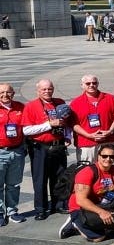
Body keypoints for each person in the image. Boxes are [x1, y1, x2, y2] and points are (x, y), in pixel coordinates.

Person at [21, 79, 72, 219]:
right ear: (38, 91)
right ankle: (40, 209)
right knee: (40, 179)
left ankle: (59, 204)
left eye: (49, 89)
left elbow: (67, 123)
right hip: (40, 147)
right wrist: (49, 124)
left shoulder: (60, 102)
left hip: (58, 145)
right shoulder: (31, 106)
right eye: (44, 89)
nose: (47, 91)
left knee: (59, 177)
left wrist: (67, 136)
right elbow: (26, 130)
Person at [58, 146, 114, 242]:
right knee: (98, 237)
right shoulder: (88, 172)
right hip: (81, 207)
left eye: (112, 156)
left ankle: (96, 224)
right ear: (98, 156)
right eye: (104, 156)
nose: (108, 159)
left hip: (102, 204)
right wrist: (101, 212)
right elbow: (81, 200)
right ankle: (74, 222)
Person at [70, 74, 114, 163]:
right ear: (82, 85)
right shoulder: (76, 103)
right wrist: (89, 135)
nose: (91, 85)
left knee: (108, 169)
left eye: (94, 83)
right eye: (88, 83)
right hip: (86, 144)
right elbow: (73, 123)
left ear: (97, 84)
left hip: (108, 141)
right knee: (87, 170)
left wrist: (110, 131)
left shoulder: (109, 98)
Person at [0, 83, 28, 224]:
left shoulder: (20, 107)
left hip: (16, 151)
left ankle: (12, 211)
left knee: (14, 184)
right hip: (0, 151)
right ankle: (0, 213)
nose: (5, 95)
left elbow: (27, 128)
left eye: (8, 92)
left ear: (13, 93)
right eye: (2, 92)